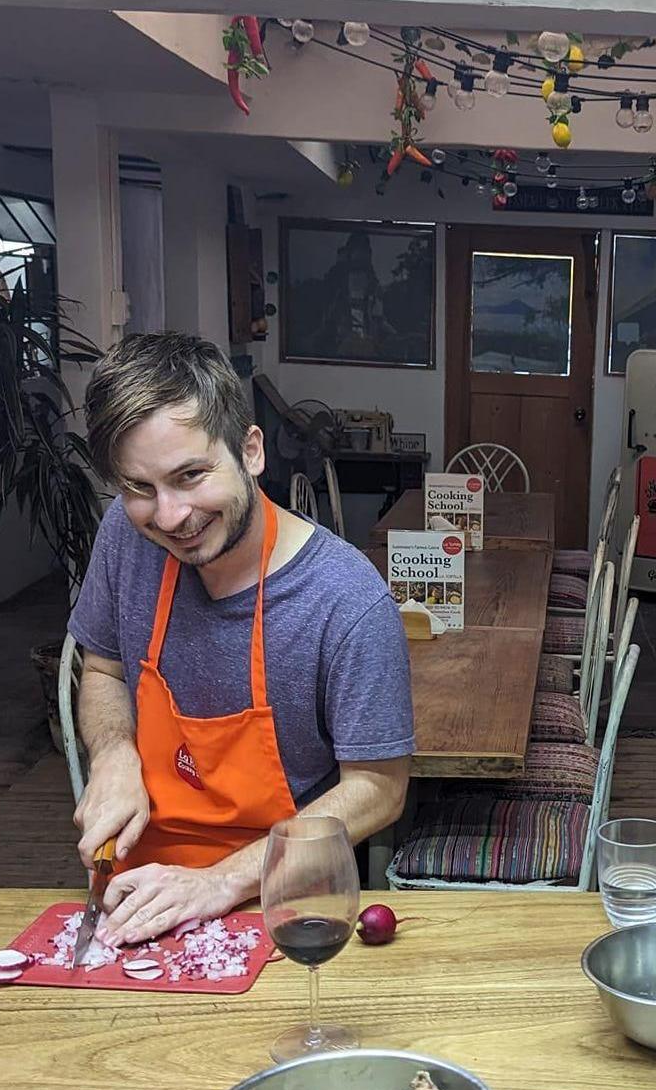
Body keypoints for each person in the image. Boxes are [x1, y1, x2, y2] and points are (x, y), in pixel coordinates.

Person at [68, 332, 414, 942]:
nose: (170, 516)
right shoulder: (126, 540)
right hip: (137, 893)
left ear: (250, 451)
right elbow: (102, 671)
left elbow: (379, 789)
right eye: (140, 488)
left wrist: (220, 881)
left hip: (282, 904)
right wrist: (114, 753)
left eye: (192, 475)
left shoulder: (345, 600)